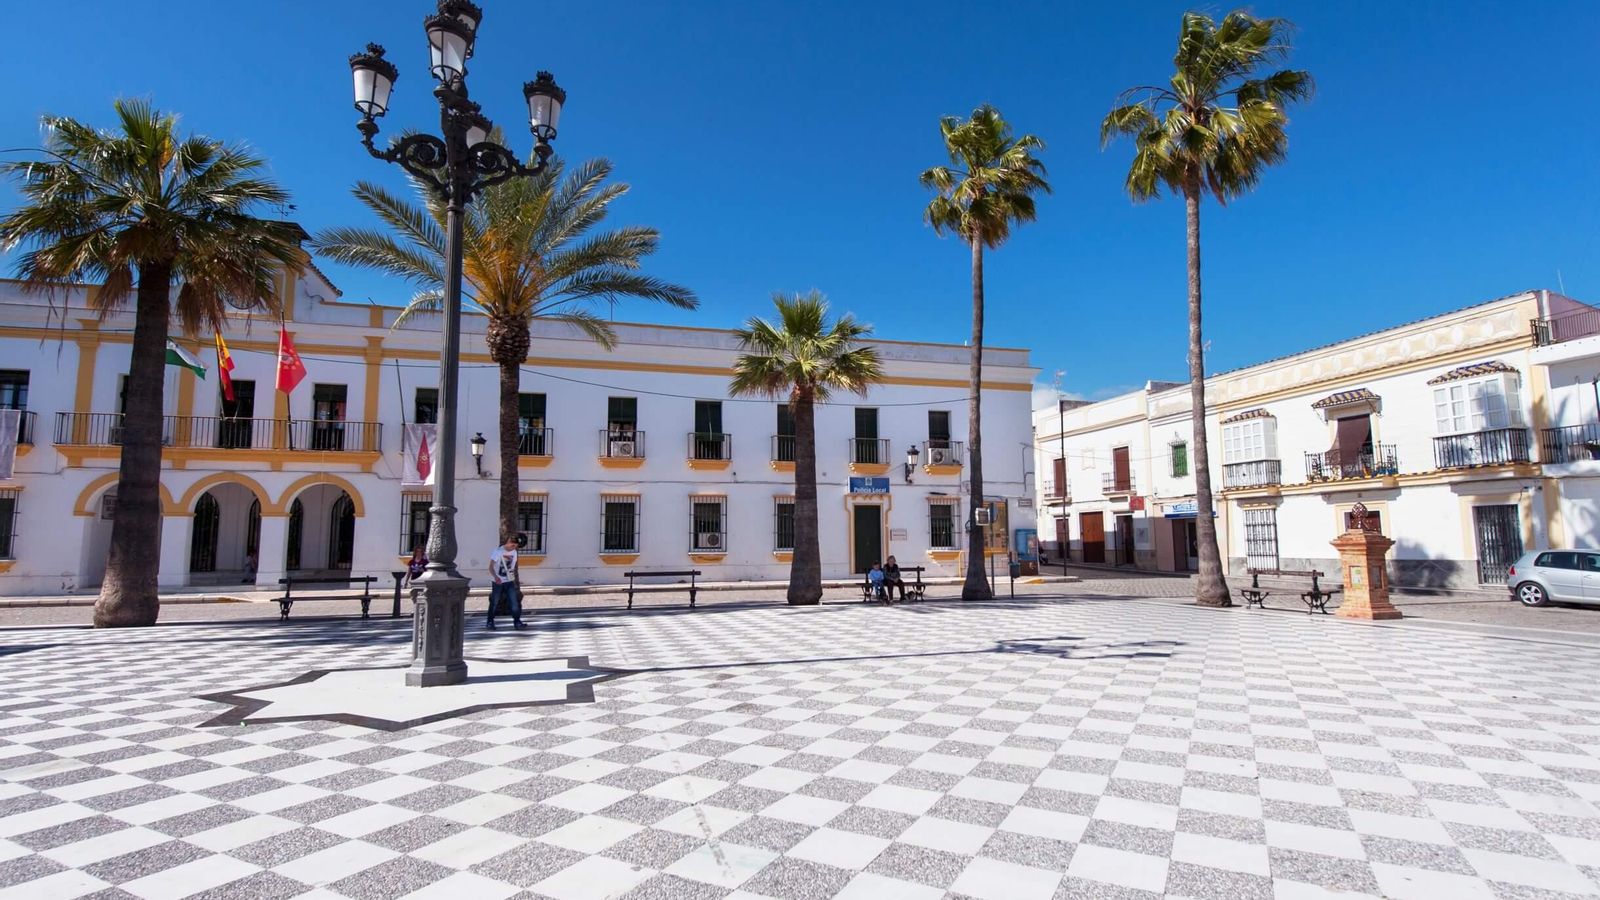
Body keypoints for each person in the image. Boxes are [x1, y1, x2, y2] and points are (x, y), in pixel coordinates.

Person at [487, 535, 526, 629]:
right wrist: (496, 577)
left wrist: (512, 576)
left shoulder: (514, 553)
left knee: (514, 602)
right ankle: (490, 622)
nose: (514, 547)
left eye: (516, 546)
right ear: (508, 541)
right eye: (513, 545)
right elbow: (490, 567)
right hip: (497, 582)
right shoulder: (498, 552)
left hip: (509, 581)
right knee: (494, 602)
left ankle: (517, 622)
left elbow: (512, 567)